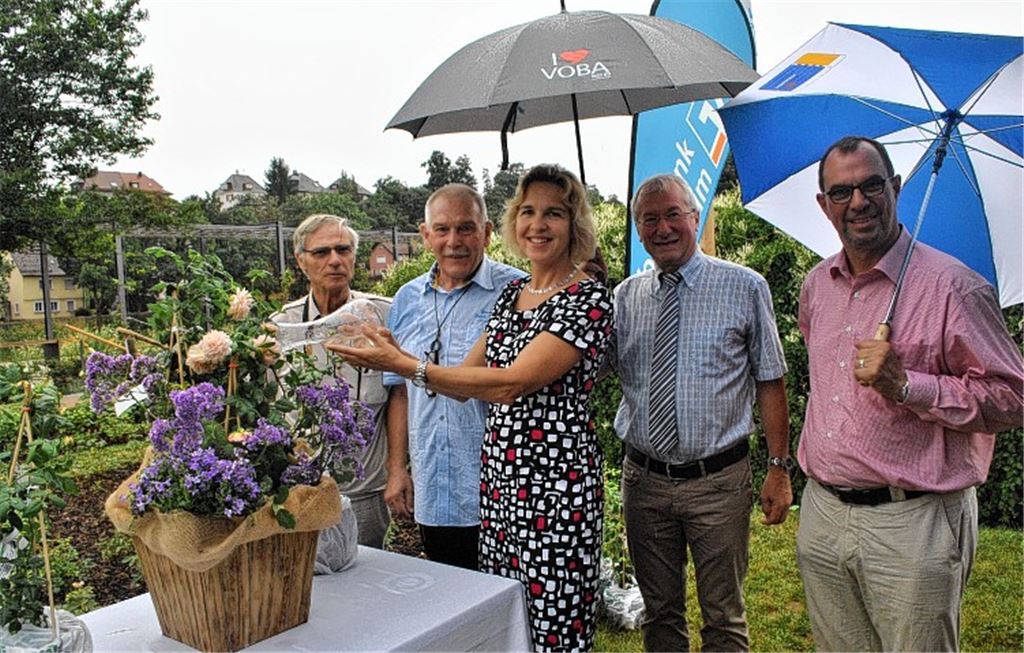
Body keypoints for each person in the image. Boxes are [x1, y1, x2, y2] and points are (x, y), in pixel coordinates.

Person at [331, 164, 613, 653]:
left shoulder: (586, 298)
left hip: (553, 487)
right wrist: (396, 355)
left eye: (553, 213)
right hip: (500, 483)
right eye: (527, 212)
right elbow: (462, 383)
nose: (537, 224)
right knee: (500, 621)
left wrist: (406, 365)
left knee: (554, 625)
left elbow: (510, 384)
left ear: (575, 223)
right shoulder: (514, 295)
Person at [797, 135, 1024, 651]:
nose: (858, 202)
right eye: (842, 192)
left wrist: (907, 385)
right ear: (824, 205)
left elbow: (1014, 397)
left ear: (896, 187)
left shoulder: (954, 287)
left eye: (871, 185)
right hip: (824, 514)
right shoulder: (816, 285)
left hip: (913, 522)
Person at [609, 174, 792, 652]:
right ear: (638, 230)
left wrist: (778, 468)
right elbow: (592, 368)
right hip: (644, 482)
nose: (663, 228)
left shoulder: (744, 286)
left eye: (673, 214)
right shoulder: (623, 298)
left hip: (718, 483)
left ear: (695, 217)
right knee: (659, 613)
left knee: (723, 615)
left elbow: (771, 380)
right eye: (649, 219)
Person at [382, 183, 524, 570]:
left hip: (502, 489)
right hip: (434, 486)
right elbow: (400, 392)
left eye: (466, 228)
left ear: (487, 233)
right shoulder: (407, 299)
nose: (454, 241)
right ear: (425, 235)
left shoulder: (517, 292)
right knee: (452, 592)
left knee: (507, 595)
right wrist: (397, 469)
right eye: (442, 229)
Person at [271, 213, 392, 549]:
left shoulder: (384, 315)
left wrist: (398, 469)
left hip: (365, 491)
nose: (335, 260)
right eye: (321, 252)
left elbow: (402, 393)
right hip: (302, 492)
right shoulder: (282, 325)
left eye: (343, 249)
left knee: (369, 571)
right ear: (301, 261)